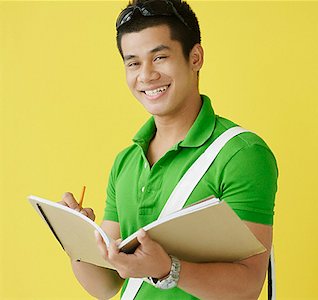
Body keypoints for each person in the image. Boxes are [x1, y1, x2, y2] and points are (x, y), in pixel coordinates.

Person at [59, 0, 278, 299]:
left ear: (195, 57)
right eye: (133, 62)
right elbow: (106, 285)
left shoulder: (241, 154)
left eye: (160, 57)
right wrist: (77, 239)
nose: (146, 75)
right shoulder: (127, 161)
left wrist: (167, 269)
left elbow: (248, 286)